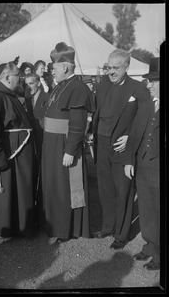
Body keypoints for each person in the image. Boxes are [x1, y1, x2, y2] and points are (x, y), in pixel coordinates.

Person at [91, 49, 151, 250]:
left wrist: (130, 137)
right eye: (109, 67)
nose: (111, 72)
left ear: (127, 67)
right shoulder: (101, 86)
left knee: (123, 190)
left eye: (116, 68)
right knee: (105, 189)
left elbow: (145, 118)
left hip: (122, 147)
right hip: (101, 143)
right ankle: (108, 226)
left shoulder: (138, 89)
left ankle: (121, 234)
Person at [41, 42, 95, 243]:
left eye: (54, 67)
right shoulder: (62, 85)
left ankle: (65, 227)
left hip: (64, 145)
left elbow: (78, 123)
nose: (51, 70)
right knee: (54, 185)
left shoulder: (78, 88)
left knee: (64, 187)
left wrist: (70, 150)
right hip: (52, 144)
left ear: (64, 66)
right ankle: (54, 223)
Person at [0, 62, 36, 239]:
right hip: (7, 153)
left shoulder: (7, 95)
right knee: (4, 194)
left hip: (15, 152)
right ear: (7, 76)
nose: (21, 78)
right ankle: (1, 227)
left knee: (16, 191)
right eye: (18, 74)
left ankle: (16, 225)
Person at [123, 57, 160, 271]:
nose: (148, 85)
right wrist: (129, 161)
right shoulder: (146, 104)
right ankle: (149, 244)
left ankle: (159, 254)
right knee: (146, 208)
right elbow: (135, 134)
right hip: (142, 165)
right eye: (148, 81)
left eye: (153, 81)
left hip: (158, 168)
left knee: (159, 210)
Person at [24, 73, 50, 228]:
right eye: (26, 84)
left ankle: (43, 211)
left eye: (31, 83)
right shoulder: (27, 100)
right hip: (31, 141)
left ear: (39, 83)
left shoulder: (47, 98)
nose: (29, 87)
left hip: (43, 139)